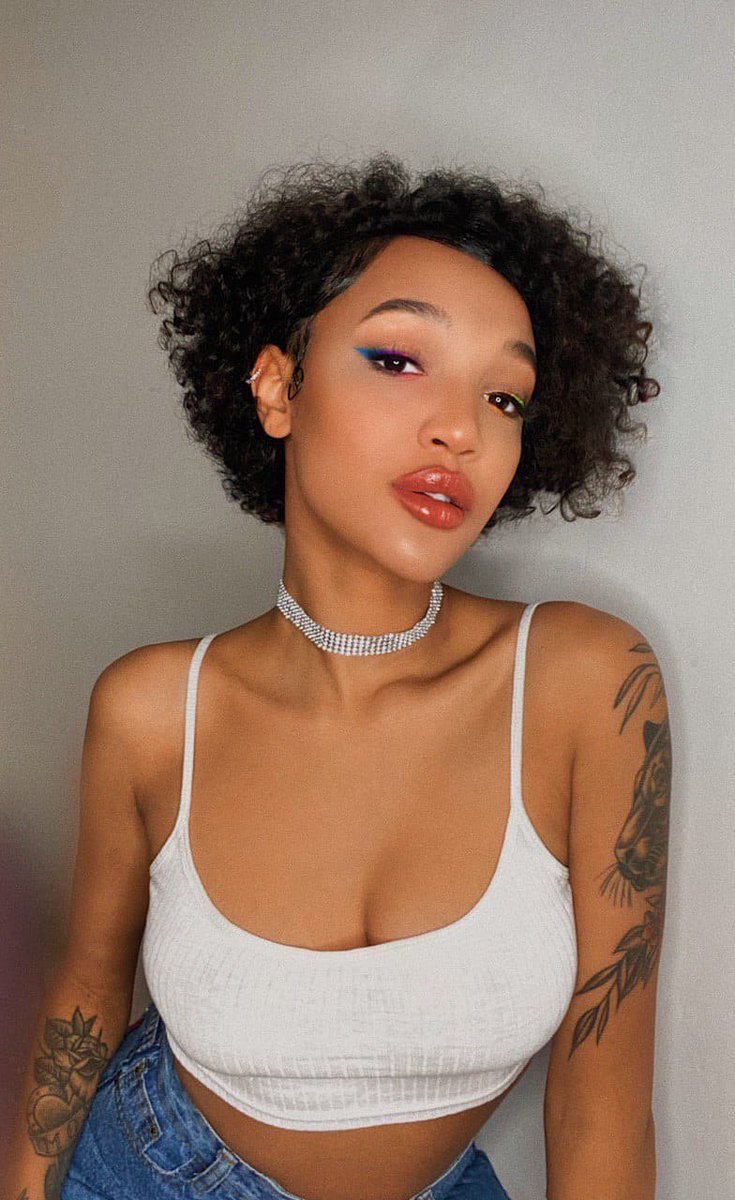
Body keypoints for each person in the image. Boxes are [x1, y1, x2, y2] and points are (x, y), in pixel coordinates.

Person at [6, 154, 670, 1200]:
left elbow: (602, 1105)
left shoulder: (589, 683)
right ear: (279, 387)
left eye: (504, 394)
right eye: (400, 359)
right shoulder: (150, 710)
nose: (462, 427)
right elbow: (85, 991)